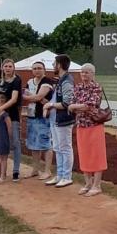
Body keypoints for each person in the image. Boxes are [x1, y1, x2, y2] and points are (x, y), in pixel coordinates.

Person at [69, 63, 107, 196]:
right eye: (82, 72)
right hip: (81, 125)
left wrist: (75, 106)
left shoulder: (96, 87)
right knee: (84, 154)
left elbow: (89, 105)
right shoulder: (78, 87)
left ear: (93, 74)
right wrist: (77, 106)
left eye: (87, 72)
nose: (84, 74)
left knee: (97, 154)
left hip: (94, 125)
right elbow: (71, 103)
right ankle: (88, 183)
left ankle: (97, 185)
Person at [43, 55, 75, 188]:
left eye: (54, 63)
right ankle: (60, 174)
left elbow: (67, 103)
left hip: (63, 120)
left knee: (65, 148)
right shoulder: (62, 80)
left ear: (59, 65)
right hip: (55, 119)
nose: (52, 65)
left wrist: (50, 105)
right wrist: (49, 105)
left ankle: (67, 176)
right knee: (57, 148)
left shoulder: (67, 81)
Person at [22, 61, 55, 179]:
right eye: (35, 68)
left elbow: (39, 96)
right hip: (31, 116)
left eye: (39, 68)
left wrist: (30, 97)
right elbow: (28, 96)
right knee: (33, 144)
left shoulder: (47, 82)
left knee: (45, 144)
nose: (37, 70)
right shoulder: (30, 82)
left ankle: (47, 170)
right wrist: (33, 98)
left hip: (43, 117)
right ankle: (35, 169)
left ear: (44, 69)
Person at [0, 58, 22, 181]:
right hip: (0, 115)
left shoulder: (16, 80)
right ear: (2, 68)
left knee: (14, 142)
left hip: (12, 114)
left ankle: (16, 171)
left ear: (13, 68)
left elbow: (14, 99)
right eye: (6, 66)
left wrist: (1, 109)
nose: (8, 68)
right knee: (0, 142)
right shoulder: (1, 82)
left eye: (10, 66)